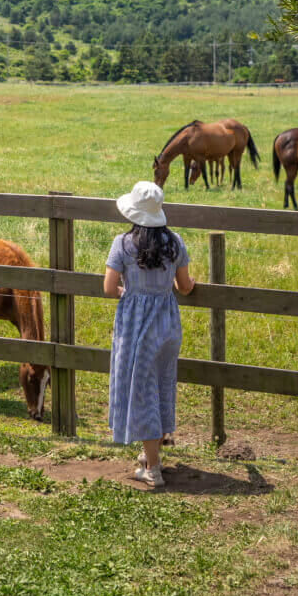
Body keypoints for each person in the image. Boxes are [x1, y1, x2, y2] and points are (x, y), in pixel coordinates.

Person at [104, 179, 195, 488]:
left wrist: (128, 292)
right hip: (167, 323)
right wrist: (185, 284)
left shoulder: (123, 243)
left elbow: (108, 286)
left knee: (140, 391)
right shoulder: (175, 243)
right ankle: (149, 453)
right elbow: (184, 287)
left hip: (135, 325)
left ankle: (153, 467)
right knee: (160, 386)